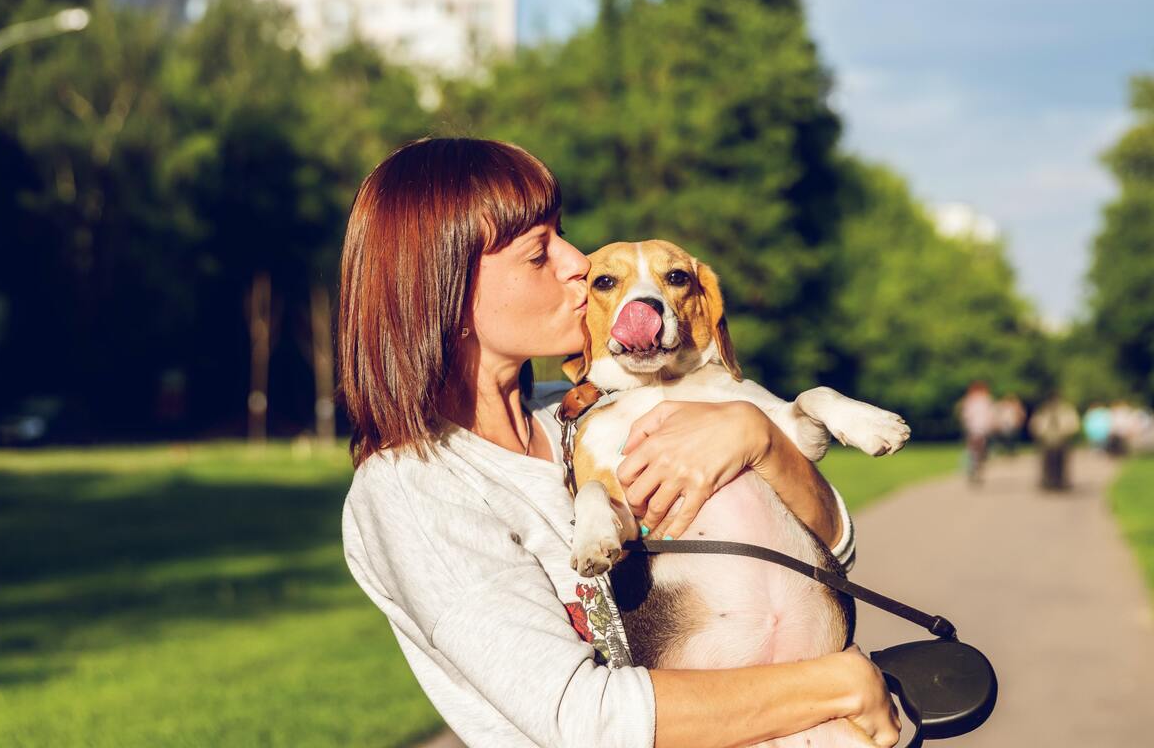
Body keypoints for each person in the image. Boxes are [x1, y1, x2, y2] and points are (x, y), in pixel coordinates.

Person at [337, 138, 899, 748]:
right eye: (538, 252)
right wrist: (835, 685)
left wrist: (758, 436)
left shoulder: (588, 414)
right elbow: (583, 721)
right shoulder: (414, 487)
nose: (577, 261)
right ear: (447, 293)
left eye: (563, 234)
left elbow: (829, 558)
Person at [1028, 393, 1079, 491]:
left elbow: (1072, 424)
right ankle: (1048, 481)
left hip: (1062, 439)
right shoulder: (1044, 411)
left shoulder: (1065, 410)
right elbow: (1036, 424)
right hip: (1047, 440)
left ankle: (1061, 481)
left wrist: (1066, 431)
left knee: (1062, 462)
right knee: (1047, 463)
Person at [957, 381, 994, 486]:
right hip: (981, 429)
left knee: (973, 450)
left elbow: (965, 415)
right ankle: (976, 468)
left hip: (974, 428)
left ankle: (973, 467)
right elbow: (990, 415)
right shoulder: (986, 400)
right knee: (980, 451)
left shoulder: (970, 400)